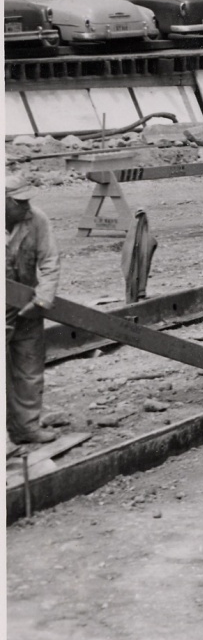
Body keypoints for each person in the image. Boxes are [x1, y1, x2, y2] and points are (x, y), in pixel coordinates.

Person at [7, 174, 61, 449]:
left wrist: (41, 300)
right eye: (20, 203)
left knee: (29, 368)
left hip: (28, 305)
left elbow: (50, 260)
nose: (26, 207)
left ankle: (26, 428)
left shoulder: (37, 220)